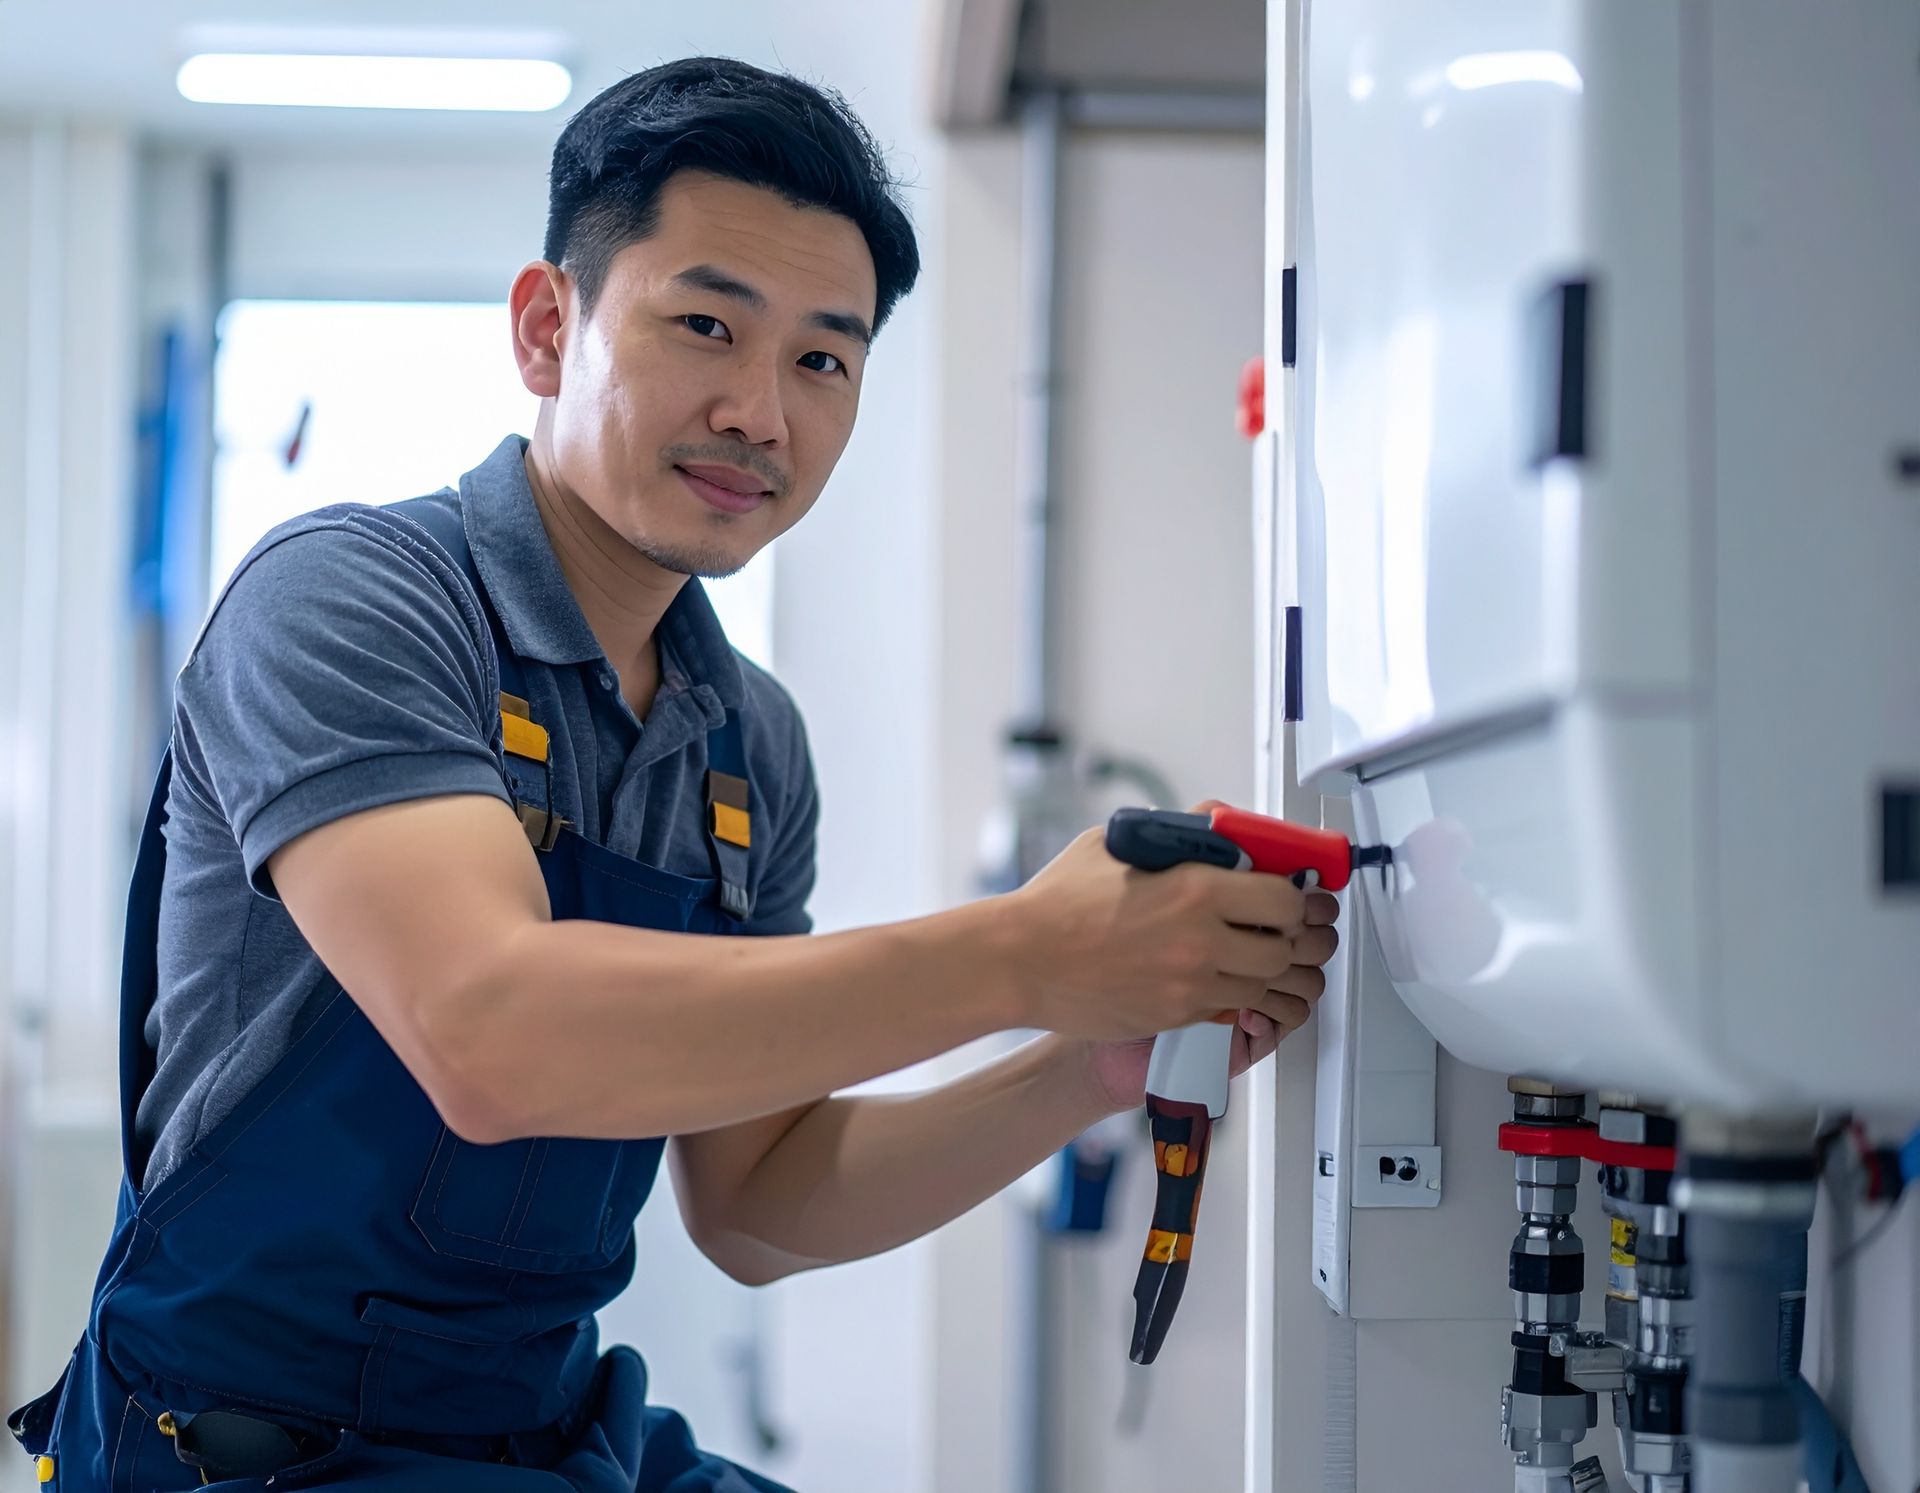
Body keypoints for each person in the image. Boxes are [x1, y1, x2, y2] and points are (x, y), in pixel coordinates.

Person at [8, 56, 1337, 1493]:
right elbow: (491, 1033)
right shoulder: (353, 597)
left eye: (823, 361)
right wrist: (1031, 951)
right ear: (547, 328)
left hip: (543, 1433)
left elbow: (759, 1200)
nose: (762, 413)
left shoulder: (745, 744)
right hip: (243, 1454)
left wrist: (1085, 1065)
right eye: (707, 325)